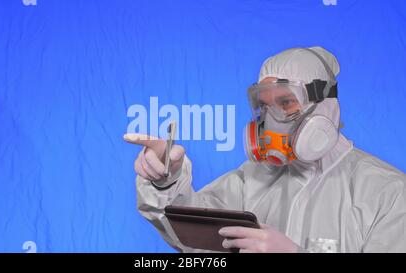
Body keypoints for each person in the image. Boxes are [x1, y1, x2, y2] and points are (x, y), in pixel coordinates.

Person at [124, 46, 406, 253]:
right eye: (265, 107)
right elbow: (193, 236)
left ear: (326, 107)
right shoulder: (253, 178)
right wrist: (166, 181)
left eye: (286, 104)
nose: (272, 122)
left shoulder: (389, 193)